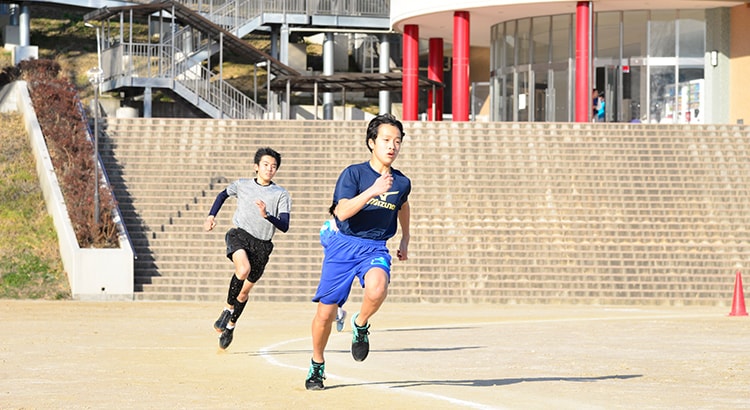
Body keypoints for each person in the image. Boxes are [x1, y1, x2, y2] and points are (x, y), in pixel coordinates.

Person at [305, 113, 412, 390]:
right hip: (344, 244)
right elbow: (341, 212)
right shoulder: (353, 173)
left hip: (375, 246)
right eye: (386, 140)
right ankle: (317, 365)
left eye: (397, 141)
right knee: (325, 314)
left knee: (377, 289)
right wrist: (372, 191)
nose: (392, 146)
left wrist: (405, 238)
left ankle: (360, 323)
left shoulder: (402, 182)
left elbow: (403, 205)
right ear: (371, 142)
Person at [204, 147, 292, 350]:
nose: (270, 169)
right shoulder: (242, 185)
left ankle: (231, 325)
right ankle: (227, 308)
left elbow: (285, 226)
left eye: (274, 166)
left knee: (243, 294)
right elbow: (221, 195)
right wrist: (211, 216)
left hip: (263, 246)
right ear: (256, 167)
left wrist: (267, 215)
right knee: (242, 270)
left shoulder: (281, 194)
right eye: (266, 165)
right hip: (240, 235)